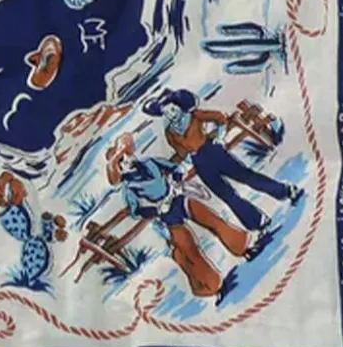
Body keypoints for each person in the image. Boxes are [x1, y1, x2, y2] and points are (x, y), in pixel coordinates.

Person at [106, 133, 263, 303]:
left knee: (213, 220)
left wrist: (176, 179)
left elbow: (174, 168)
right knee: (190, 249)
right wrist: (154, 210)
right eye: (120, 162)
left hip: (179, 198)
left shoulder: (149, 163)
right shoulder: (129, 187)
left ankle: (244, 248)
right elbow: (135, 211)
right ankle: (212, 286)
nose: (126, 162)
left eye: (125, 157)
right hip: (166, 216)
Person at [144, 89, 302, 235]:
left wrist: (219, 138)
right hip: (199, 163)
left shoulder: (194, 115)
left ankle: (286, 191)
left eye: (172, 109)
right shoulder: (170, 133)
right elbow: (181, 152)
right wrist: (183, 167)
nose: (170, 114)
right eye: (165, 112)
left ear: (179, 106)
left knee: (247, 176)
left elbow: (220, 117)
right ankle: (258, 222)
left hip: (213, 151)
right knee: (227, 195)